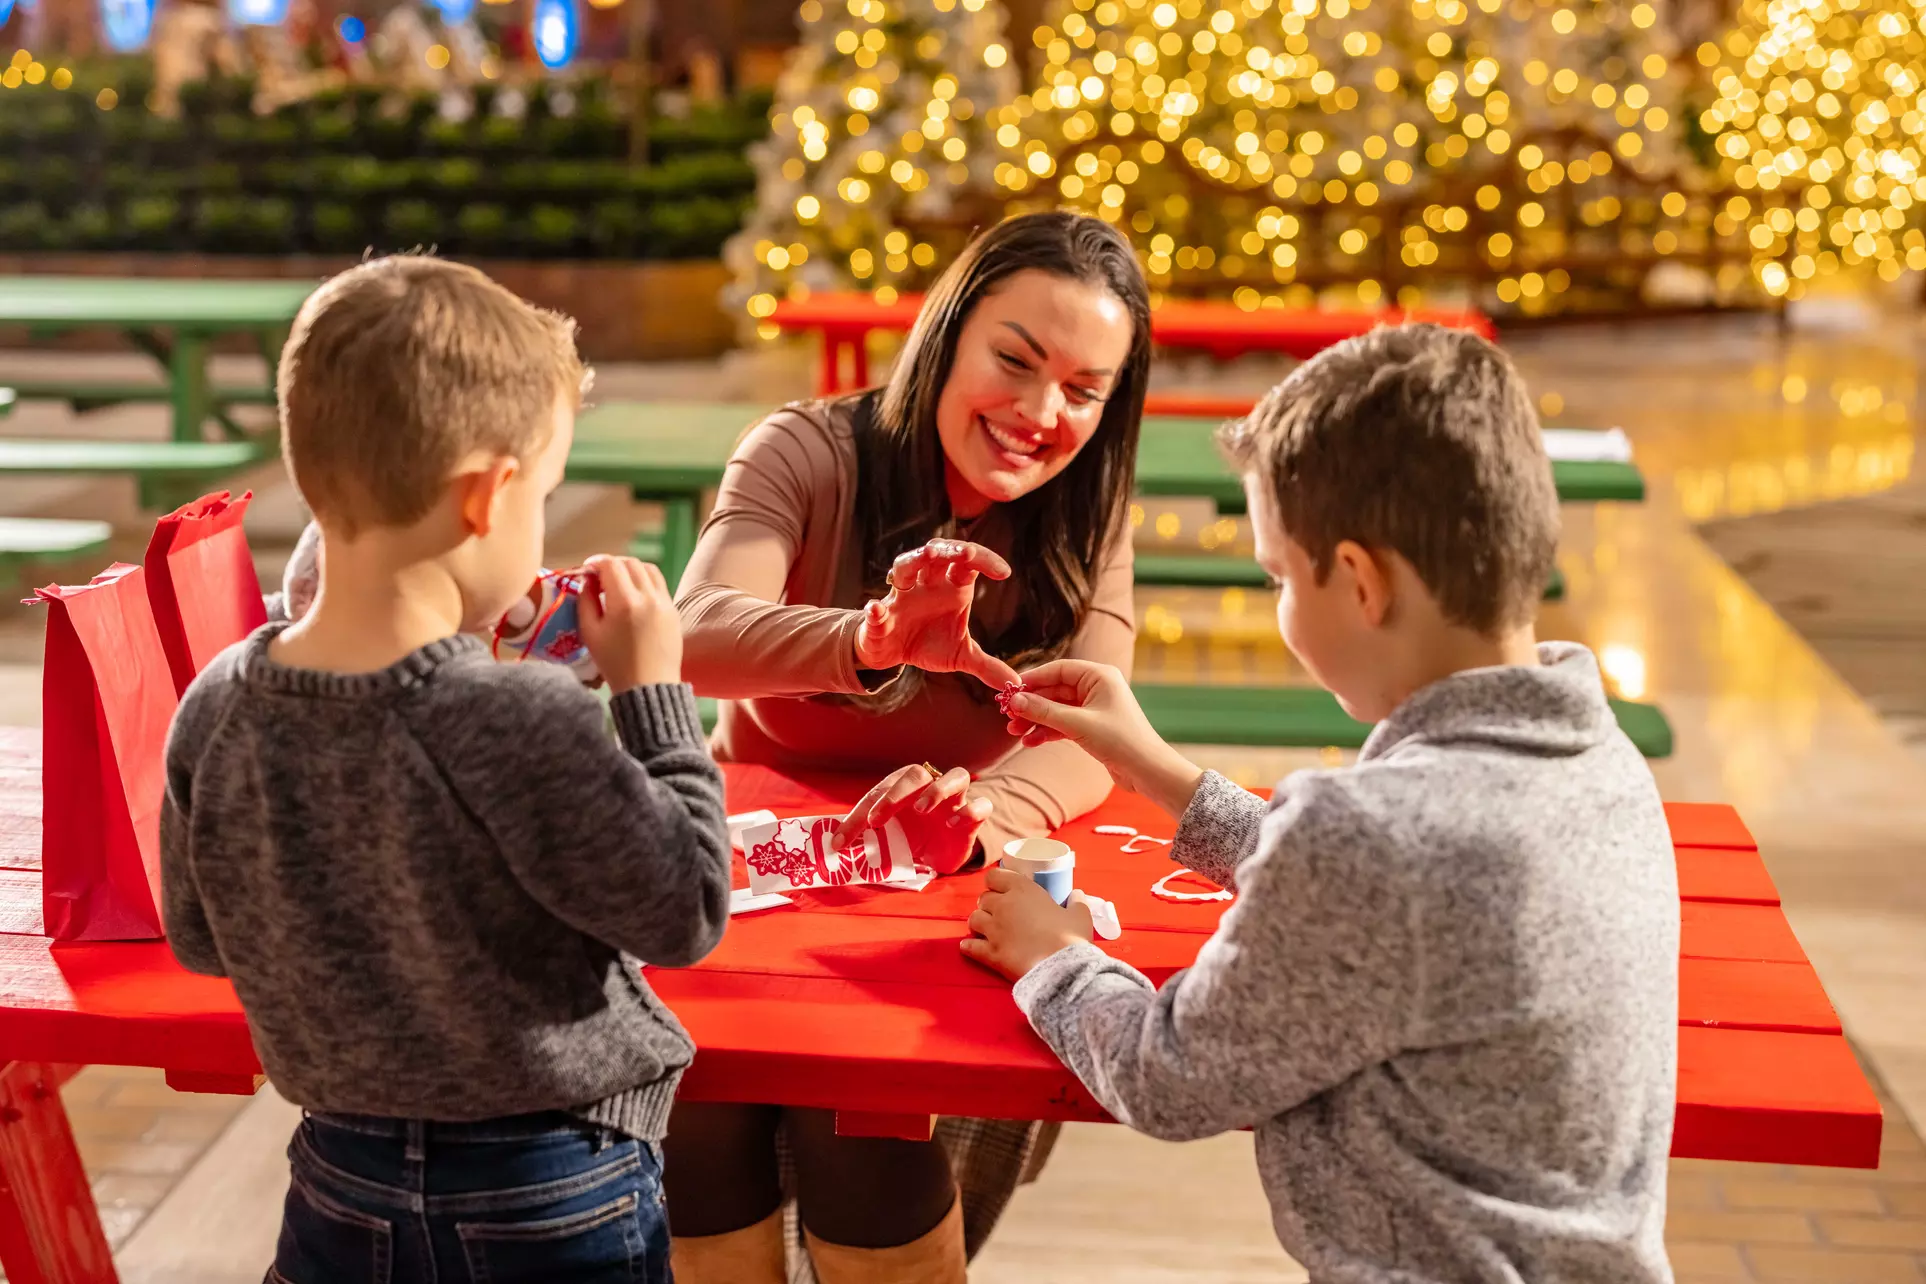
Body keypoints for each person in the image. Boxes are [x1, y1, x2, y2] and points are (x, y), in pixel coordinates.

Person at [965, 324, 1680, 1284]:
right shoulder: (1598, 760)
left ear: (1358, 582)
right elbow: (1403, 899)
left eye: (1274, 575)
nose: (1276, 601)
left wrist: (1054, 957)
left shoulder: (1370, 840)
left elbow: (1169, 1077)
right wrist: (1157, 771)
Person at [160, 256, 732, 1283]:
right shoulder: (515, 714)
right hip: (555, 1189)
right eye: (544, 494)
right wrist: (653, 691)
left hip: (338, 1180)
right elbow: (684, 909)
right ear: (487, 496)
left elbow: (203, 941)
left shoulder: (216, 702)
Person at [666, 211, 1152, 1282]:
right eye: (1013, 362)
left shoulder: (1090, 513)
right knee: (693, 1120)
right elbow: (692, 634)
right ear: (948, 335)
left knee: (866, 1137)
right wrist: (869, 641)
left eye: (1083, 390)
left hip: (938, 902)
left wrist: (989, 811)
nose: (1039, 413)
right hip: (753, 893)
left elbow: (1098, 731)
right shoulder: (807, 451)